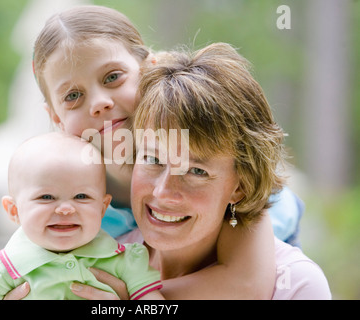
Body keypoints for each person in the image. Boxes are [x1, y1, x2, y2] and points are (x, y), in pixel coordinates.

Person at [6, 5, 301, 299]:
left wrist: (129, 298)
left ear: (148, 70)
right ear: (56, 118)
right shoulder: (67, 201)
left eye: (112, 77)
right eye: (72, 96)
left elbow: (246, 286)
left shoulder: (222, 183)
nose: (99, 102)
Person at [72, 43, 331, 300]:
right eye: (152, 159)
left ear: (239, 187)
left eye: (197, 171)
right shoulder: (94, 266)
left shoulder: (296, 285)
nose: (163, 192)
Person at [0, 132, 164, 300]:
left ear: (102, 208)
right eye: (46, 197)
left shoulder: (124, 261)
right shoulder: (1, 273)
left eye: (81, 196)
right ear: (14, 210)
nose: (65, 209)